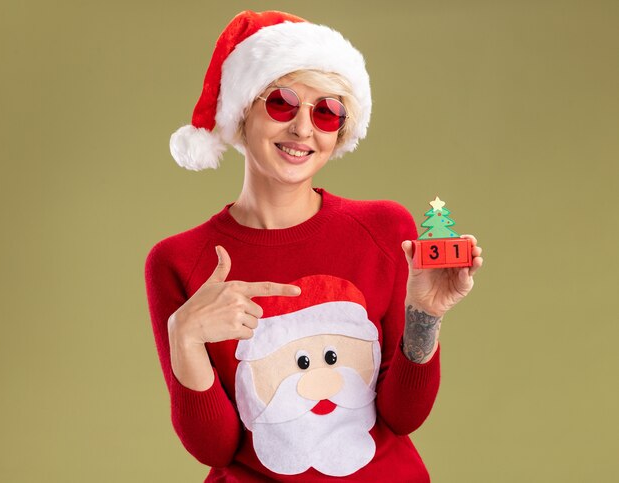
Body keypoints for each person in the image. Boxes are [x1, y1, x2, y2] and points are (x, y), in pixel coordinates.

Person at [145, 10, 483, 482]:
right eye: (282, 104)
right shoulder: (179, 261)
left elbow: (403, 416)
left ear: (339, 131)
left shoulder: (383, 228)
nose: (304, 129)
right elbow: (216, 449)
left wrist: (424, 315)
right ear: (243, 110)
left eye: (326, 111)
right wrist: (185, 336)